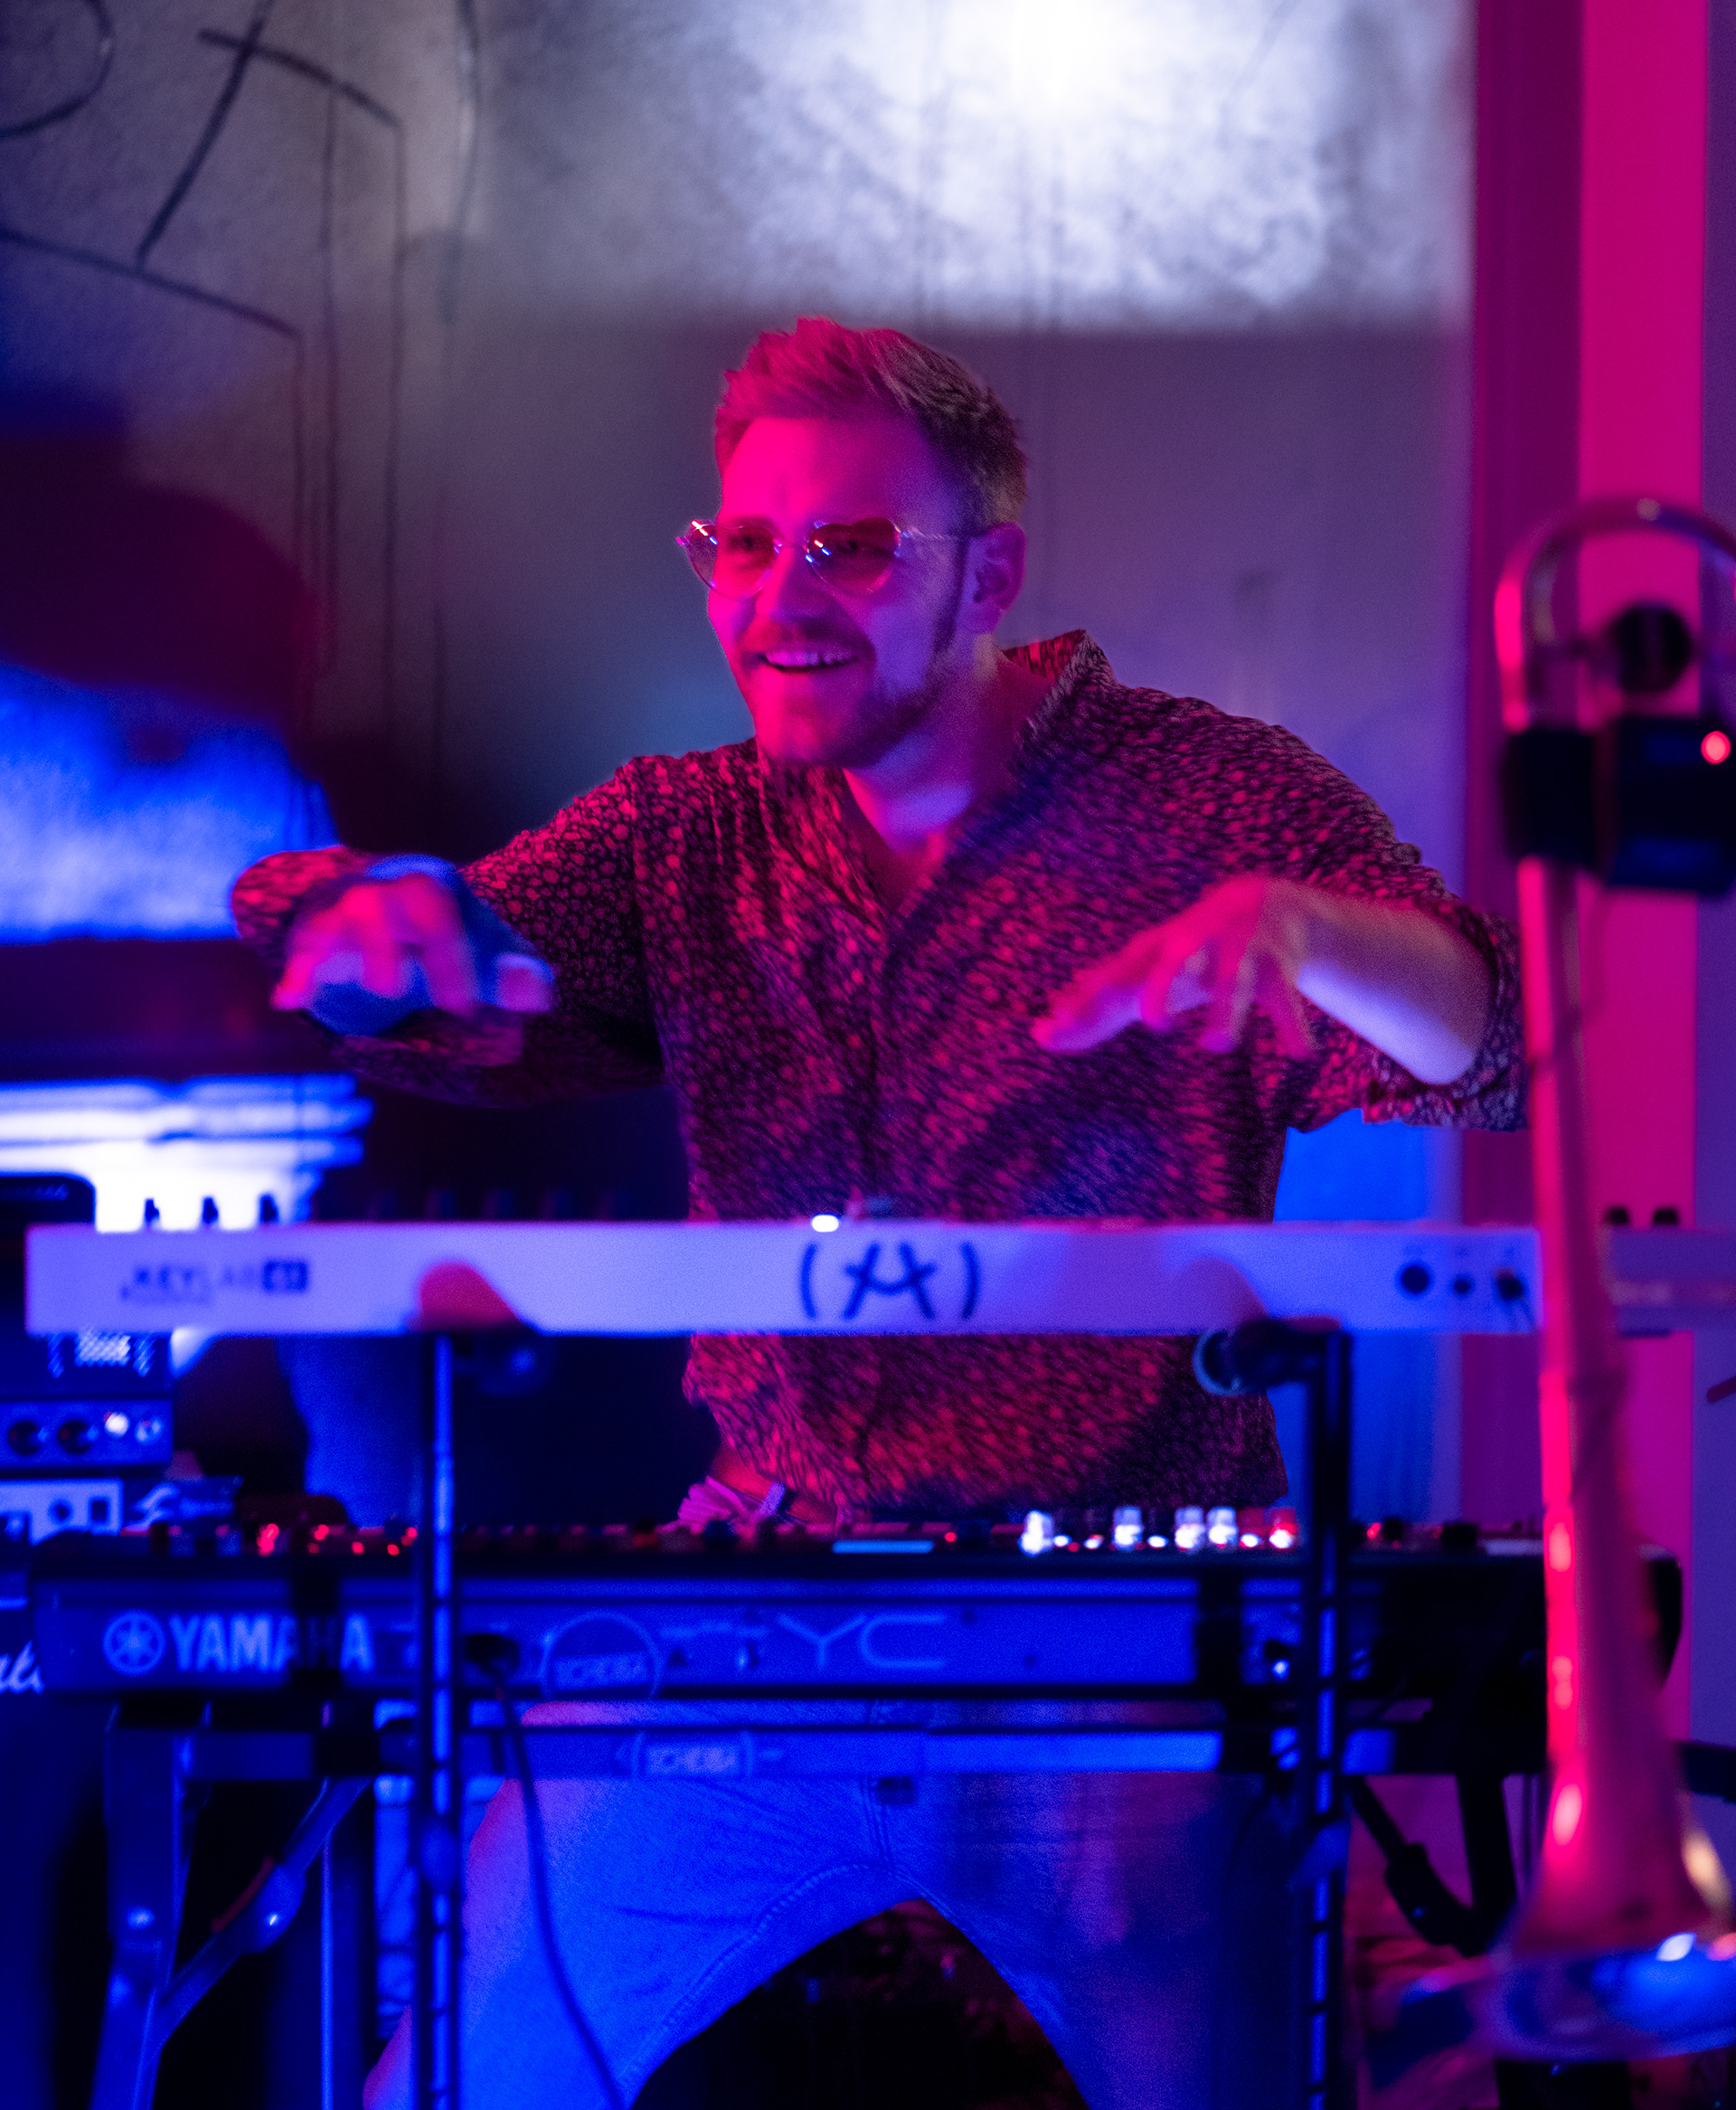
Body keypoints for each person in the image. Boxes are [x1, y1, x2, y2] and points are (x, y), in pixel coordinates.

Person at [234, 319, 1524, 2107]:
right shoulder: (686, 836)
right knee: (456, 2074)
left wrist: (1311, 933)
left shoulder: (1203, 793)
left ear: (987, 573)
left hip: (1121, 1648)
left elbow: (1479, 1041)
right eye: (744, 543)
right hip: (765, 1613)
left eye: (851, 546)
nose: (782, 597)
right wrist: (366, 930)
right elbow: (424, 979)